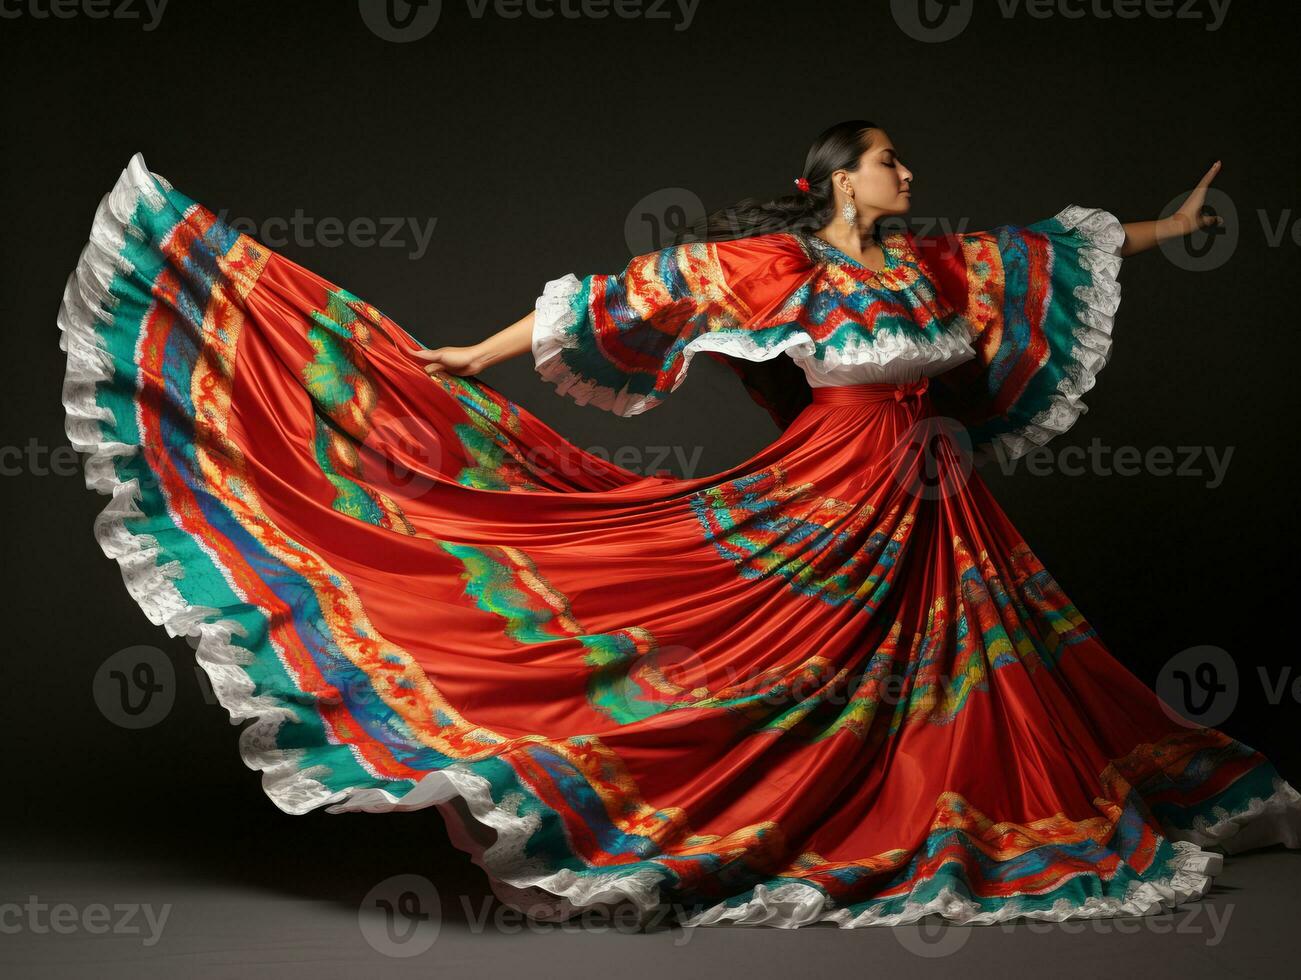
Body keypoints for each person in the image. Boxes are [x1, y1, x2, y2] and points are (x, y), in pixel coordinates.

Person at [57, 121, 1299, 930]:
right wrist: (473, 354)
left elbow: (1035, 252)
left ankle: (934, 798)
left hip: (934, 500)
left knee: (978, 669)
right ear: (836, 177)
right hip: (830, 493)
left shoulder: (931, 263)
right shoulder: (775, 268)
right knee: (749, 651)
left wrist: (1165, 230)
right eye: (886, 161)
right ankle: (686, 795)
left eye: (902, 166)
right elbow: (627, 292)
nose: (905, 175)